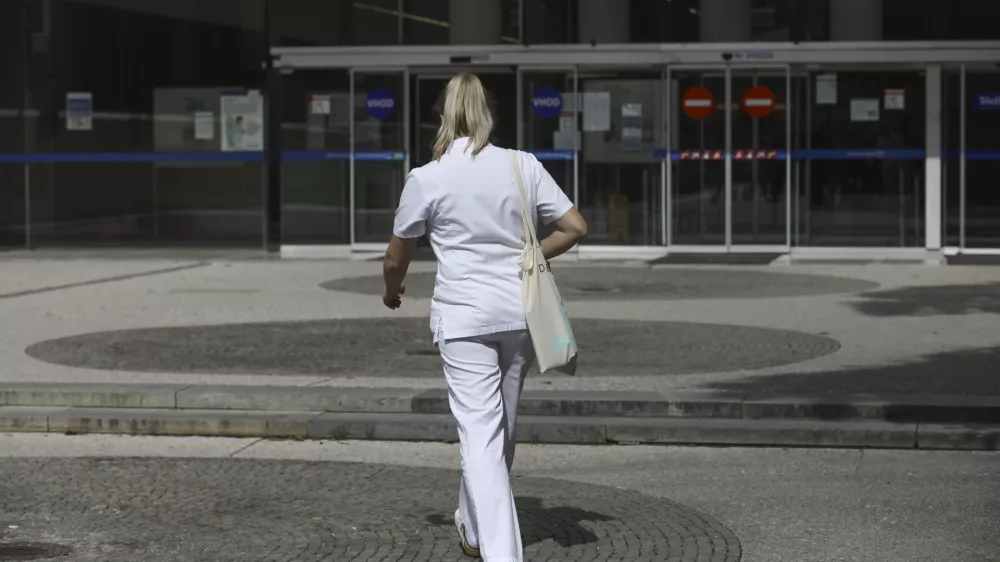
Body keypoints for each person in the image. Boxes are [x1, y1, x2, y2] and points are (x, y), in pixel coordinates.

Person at [381, 73, 588, 561]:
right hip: (519, 313)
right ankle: (474, 527)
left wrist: (393, 292)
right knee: (499, 431)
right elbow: (574, 226)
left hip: (465, 319)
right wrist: (530, 256)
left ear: (444, 115)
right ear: (487, 114)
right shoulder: (522, 165)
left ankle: (501, 553)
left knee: (481, 435)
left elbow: (396, 257)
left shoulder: (427, 177)